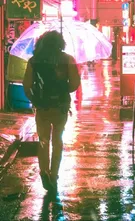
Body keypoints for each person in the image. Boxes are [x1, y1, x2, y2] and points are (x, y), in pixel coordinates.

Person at [23, 30, 81, 192]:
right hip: (61, 106)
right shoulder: (68, 59)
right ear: (60, 43)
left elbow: (26, 85)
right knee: (57, 140)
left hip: (42, 107)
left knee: (43, 140)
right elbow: (74, 84)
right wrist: (62, 90)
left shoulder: (34, 61)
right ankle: (54, 175)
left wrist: (36, 100)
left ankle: (43, 171)